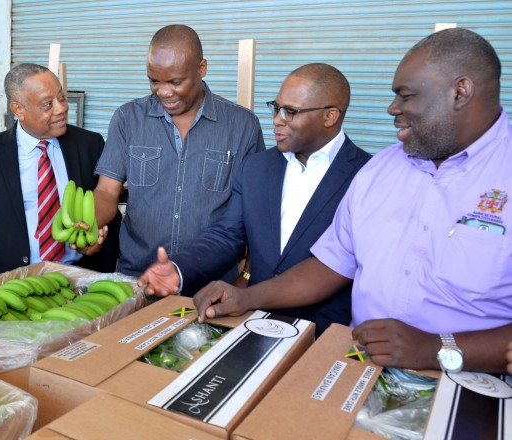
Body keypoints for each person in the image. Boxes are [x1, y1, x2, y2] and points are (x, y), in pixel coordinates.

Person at [194, 28, 512, 374]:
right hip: (359, 369)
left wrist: (437, 348)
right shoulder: (381, 170)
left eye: (406, 96)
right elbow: (328, 267)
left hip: (474, 386)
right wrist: (247, 297)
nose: (393, 108)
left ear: (460, 92)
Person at [138, 63, 371, 335]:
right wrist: (179, 269)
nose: (277, 119)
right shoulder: (255, 168)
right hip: (253, 322)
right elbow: (226, 235)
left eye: (291, 112)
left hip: (326, 334)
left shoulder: (368, 175)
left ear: (330, 116)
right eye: (276, 107)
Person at [92, 24, 265, 280]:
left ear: (201, 68)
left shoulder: (242, 126)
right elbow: (107, 190)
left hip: (213, 282)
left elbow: (256, 208)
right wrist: (89, 223)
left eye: (175, 82)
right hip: (138, 277)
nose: (164, 92)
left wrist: (248, 276)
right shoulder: (128, 119)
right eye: (154, 81)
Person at [0, 63, 121, 284]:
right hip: (12, 285)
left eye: (62, 98)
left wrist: (99, 241)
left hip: (80, 278)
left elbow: (109, 209)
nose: (61, 108)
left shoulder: (89, 144)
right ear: (18, 109)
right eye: (48, 104)